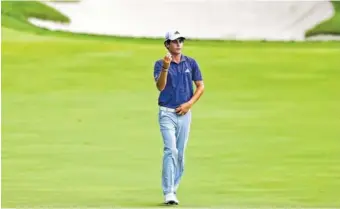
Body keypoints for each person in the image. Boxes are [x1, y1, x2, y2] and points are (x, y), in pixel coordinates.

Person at [153, 31, 205, 205]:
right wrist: (166, 68)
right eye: (174, 41)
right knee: (171, 150)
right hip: (167, 112)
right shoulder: (159, 64)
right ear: (167, 44)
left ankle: (173, 188)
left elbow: (200, 86)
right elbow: (160, 87)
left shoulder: (191, 63)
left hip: (184, 113)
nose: (178, 44)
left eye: (180, 41)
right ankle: (168, 192)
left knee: (180, 154)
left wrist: (189, 104)